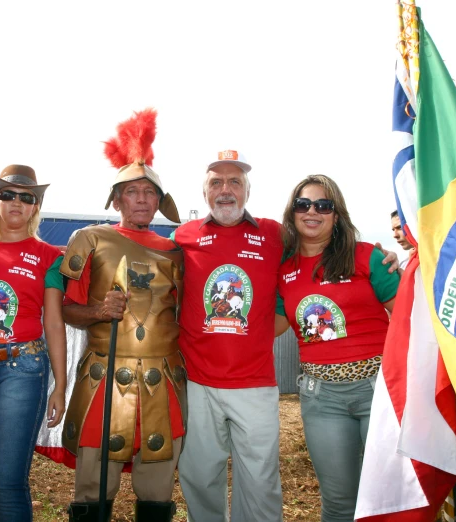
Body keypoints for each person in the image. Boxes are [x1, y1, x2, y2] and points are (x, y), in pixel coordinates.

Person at [61, 109, 186, 522]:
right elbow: (65, 308)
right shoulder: (90, 239)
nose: (142, 200)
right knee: (95, 487)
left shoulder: (176, 252)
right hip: (104, 376)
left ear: (160, 201)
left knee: (156, 486)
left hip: (162, 378)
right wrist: (97, 310)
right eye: (133, 192)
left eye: (149, 193)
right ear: (117, 199)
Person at [275, 174, 400, 522]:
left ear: (336, 214)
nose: (312, 211)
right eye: (303, 204)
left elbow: (408, 316)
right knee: (339, 502)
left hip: (378, 391)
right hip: (320, 398)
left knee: (389, 499)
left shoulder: (368, 257)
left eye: (323, 205)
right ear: (292, 212)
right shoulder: (282, 269)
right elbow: (269, 327)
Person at [172, 150, 286, 522]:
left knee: (260, 481)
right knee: (200, 477)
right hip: (197, 382)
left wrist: (377, 252)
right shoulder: (183, 236)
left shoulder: (274, 234)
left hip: (254, 384)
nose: (225, 190)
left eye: (234, 182)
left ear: (247, 191)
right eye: (216, 182)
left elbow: (319, 259)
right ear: (204, 192)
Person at [0, 165, 67, 521]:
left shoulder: (50, 256)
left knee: (7, 483)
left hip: (23, 369)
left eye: (26, 197)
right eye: (6, 194)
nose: (16, 202)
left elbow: (53, 321)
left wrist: (60, 385)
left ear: (35, 207)